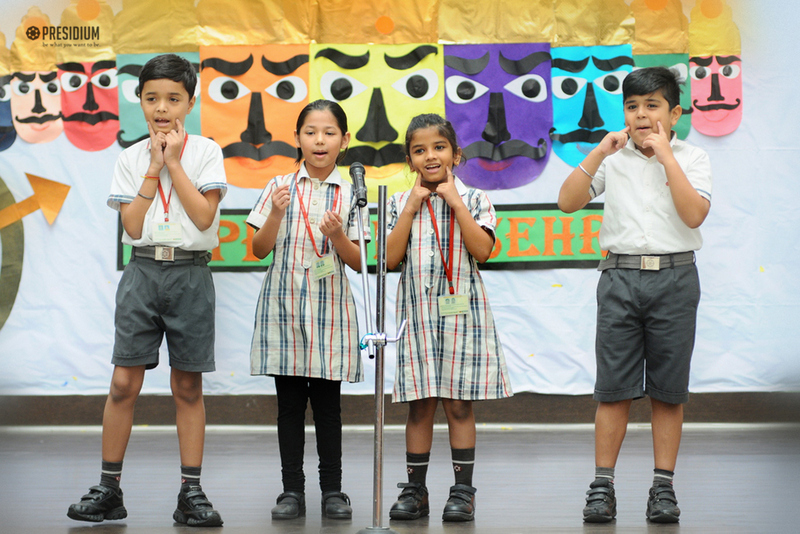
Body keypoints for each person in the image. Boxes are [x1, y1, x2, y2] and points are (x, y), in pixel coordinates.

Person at [67, 54, 226, 527]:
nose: (162, 108)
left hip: (191, 273)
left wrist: (174, 162)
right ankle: (109, 487)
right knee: (122, 383)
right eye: (152, 98)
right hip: (142, 273)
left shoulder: (206, 152)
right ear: (139, 101)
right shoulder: (129, 158)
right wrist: (153, 168)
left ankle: (191, 492)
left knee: (187, 385)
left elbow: (203, 218)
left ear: (190, 103)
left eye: (173, 99)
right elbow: (133, 226)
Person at [557, 66, 712, 524]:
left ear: (675, 113)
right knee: (614, 389)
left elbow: (694, 215)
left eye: (652, 105)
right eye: (632, 106)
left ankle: (662, 487)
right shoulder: (614, 157)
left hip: (675, 278)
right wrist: (598, 151)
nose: (641, 115)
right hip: (620, 278)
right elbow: (566, 202)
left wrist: (667, 157)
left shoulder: (693, 156)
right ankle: (602, 485)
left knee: (667, 392)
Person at [385, 113, 513, 523]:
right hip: (419, 315)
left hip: (463, 315)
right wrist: (411, 206)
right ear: (410, 161)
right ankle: (415, 491)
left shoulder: (475, 199)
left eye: (438, 147)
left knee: (458, 404)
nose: (430, 156)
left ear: (456, 155)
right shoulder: (397, 203)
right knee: (420, 405)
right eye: (419, 151)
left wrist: (455, 202)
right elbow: (389, 257)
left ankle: (462, 492)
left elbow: (483, 250)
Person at [246, 99, 369, 521]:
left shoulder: (352, 194)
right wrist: (277, 214)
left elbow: (358, 261)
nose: (319, 140)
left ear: (344, 141)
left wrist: (337, 237)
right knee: (289, 406)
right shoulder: (279, 186)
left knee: (329, 407)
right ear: (297, 138)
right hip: (284, 309)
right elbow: (258, 249)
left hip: (329, 310)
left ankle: (333, 490)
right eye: (311, 132)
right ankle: (291, 491)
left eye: (329, 132)